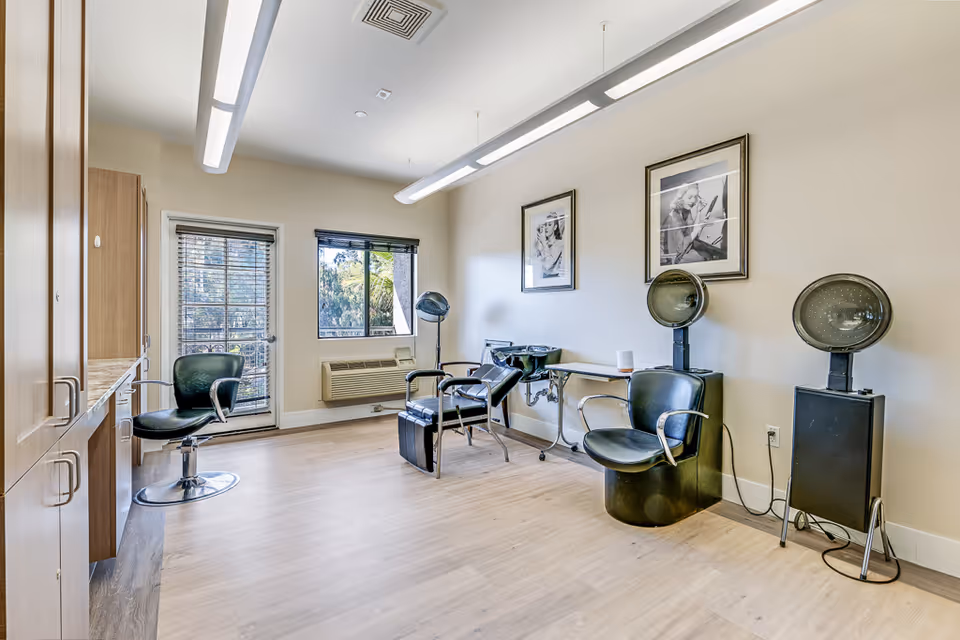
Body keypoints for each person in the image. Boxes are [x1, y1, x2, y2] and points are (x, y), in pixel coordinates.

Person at [660, 179, 726, 265]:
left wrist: (699, 212)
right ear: (680, 198)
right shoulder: (673, 217)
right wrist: (698, 228)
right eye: (689, 197)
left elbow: (692, 234)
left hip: (685, 251)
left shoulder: (686, 212)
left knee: (710, 253)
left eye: (695, 197)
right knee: (707, 258)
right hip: (675, 258)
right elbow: (679, 250)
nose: (693, 201)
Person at [535, 211, 565, 278]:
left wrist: (544, 244)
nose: (546, 227)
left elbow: (548, 265)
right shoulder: (542, 242)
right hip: (542, 278)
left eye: (549, 224)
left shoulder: (559, 244)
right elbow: (539, 261)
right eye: (545, 224)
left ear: (555, 227)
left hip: (555, 278)